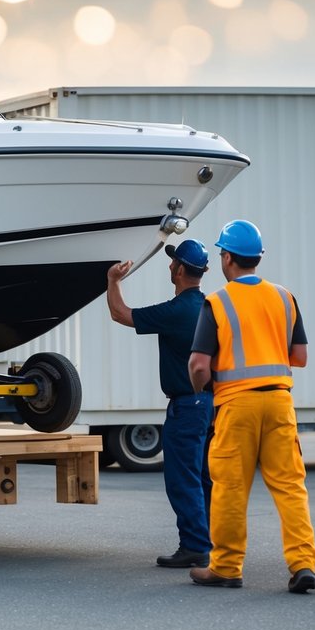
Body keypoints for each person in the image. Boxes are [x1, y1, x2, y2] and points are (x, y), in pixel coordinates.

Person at [187, 220, 315, 593]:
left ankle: (226, 567)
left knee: (229, 487)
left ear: (227, 258)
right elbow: (300, 356)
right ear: (257, 258)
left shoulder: (217, 302)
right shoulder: (284, 297)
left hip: (236, 406)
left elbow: (199, 365)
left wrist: (203, 389)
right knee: (290, 487)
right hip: (279, 402)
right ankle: (303, 563)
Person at [106, 239, 215, 569]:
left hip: (187, 405)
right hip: (213, 403)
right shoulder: (210, 307)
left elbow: (120, 313)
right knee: (205, 478)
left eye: (172, 263)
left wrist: (113, 281)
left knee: (182, 479)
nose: (169, 266)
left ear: (180, 270)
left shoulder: (177, 311)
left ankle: (195, 546)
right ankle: (211, 542)